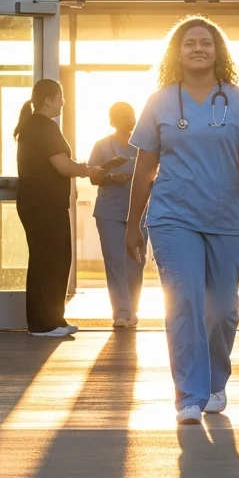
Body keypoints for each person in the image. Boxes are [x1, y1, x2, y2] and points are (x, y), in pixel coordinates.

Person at [124, 17, 239, 425]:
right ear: (177, 52)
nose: (198, 48)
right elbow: (144, 168)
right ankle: (189, 394)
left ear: (218, 51)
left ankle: (215, 382)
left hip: (226, 216)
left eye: (206, 42)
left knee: (222, 309)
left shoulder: (238, 100)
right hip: (173, 217)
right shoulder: (159, 102)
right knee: (184, 303)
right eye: (189, 43)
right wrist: (133, 223)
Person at [14, 79, 107, 338]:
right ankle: (42, 325)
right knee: (47, 261)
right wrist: (88, 170)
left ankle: (54, 319)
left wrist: (85, 168)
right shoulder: (43, 127)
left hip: (46, 204)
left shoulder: (36, 126)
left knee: (57, 258)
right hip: (42, 205)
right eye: (60, 97)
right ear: (48, 99)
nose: (63, 102)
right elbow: (64, 166)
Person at [88, 102, 144, 328]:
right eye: (121, 116)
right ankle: (121, 312)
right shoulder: (101, 146)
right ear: (112, 121)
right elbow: (92, 176)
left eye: (130, 115)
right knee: (115, 262)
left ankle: (132, 311)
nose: (127, 119)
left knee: (135, 263)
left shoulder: (144, 146)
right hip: (109, 212)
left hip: (140, 213)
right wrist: (111, 177)